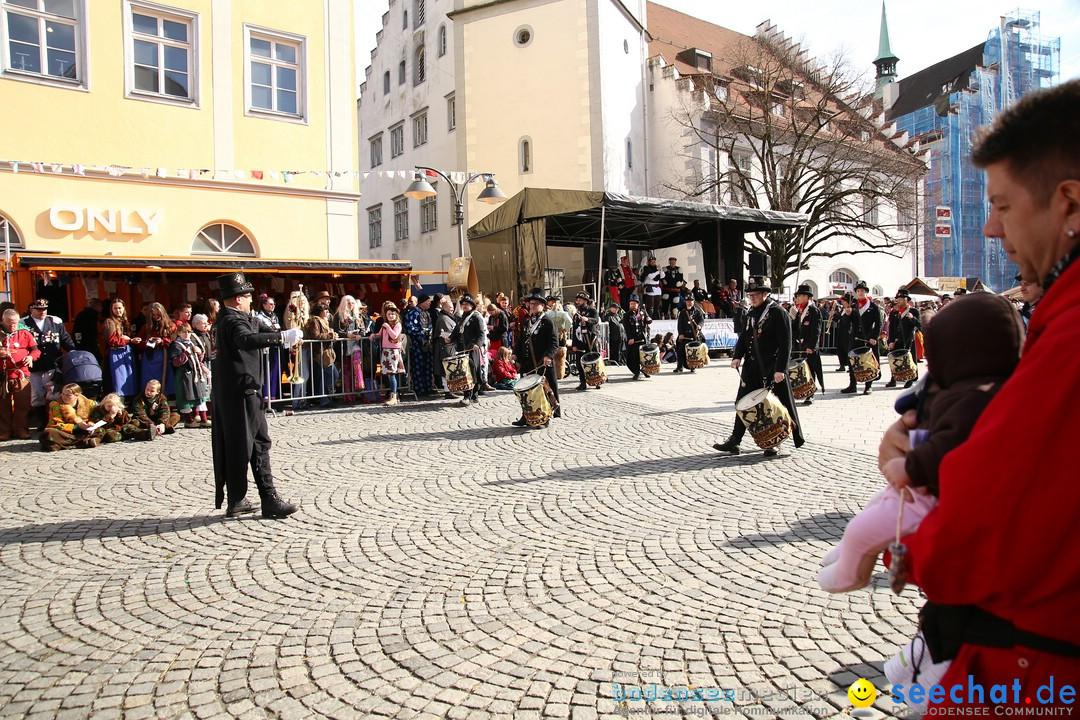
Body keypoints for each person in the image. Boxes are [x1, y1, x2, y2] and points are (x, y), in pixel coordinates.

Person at [878, 80, 1080, 705]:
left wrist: (912, 513)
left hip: (1033, 676)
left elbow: (992, 523)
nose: (989, 228)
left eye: (1002, 204)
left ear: (1068, 203)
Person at [819, 292, 1023, 593]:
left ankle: (848, 572)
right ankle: (847, 548)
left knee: (864, 529)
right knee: (874, 507)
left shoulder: (975, 398)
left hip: (929, 492)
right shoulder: (965, 388)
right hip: (921, 484)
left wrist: (911, 465)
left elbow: (950, 446)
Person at [211, 272, 301, 519]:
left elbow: (250, 330)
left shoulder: (224, 319)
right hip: (241, 391)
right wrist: (280, 338)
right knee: (255, 443)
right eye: (247, 295)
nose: (251, 299)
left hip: (233, 390)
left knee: (245, 444)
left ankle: (242, 498)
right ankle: (263, 499)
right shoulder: (232, 321)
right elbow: (245, 340)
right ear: (238, 299)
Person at [713, 276, 805, 457]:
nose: (752, 298)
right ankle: (735, 440)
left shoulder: (778, 313)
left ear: (766, 293)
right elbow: (744, 337)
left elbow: (786, 344)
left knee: (773, 406)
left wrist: (781, 369)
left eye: (755, 294)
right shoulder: (751, 312)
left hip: (771, 367)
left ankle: (774, 441)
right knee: (743, 403)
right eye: (750, 295)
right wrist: (737, 356)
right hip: (751, 367)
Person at [22, 298, 75, 431]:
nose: (42, 312)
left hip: (52, 364)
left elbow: (64, 338)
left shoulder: (55, 321)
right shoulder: (23, 324)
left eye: (44, 309)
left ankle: (55, 419)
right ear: (31, 309)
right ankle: (42, 421)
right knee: (38, 395)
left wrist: (73, 351)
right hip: (35, 366)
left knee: (55, 393)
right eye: (39, 309)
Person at [512, 288, 560, 427]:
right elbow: (520, 341)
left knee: (542, 391)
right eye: (531, 303)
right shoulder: (527, 322)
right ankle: (526, 416)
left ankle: (544, 417)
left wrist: (549, 356)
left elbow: (554, 342)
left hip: (542, 362)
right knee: (527, 392)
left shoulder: (548, 321)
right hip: (528, 363)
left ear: (543, 306)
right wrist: (516, 355)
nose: (532, 306)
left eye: (536, 303)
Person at [0, 307, 41, 440]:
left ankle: (20, 429)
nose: (13, 326)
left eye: (15, 323)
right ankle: (4, 430)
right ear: (3, 320)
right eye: (9, 323)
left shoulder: (24, 332)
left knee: (22, 404)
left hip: (21, 374)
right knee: (3, 405)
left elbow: (35, 350)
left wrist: (31, 357)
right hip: (3, 376)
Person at [840, 281, 881, 395]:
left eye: (862, 291)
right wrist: (847, 315)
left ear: (866, 292)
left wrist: (874, 336)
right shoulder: (853, 306)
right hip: (855, 337)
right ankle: (852, 385)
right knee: (852, 360)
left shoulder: (873, 306)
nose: (860, 293)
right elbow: (846, 323)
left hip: (868, 338)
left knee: (868, 362)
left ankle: (868, 386)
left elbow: (878, 323)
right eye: (858, 291)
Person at [170, 322, 211, 428]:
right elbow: (175, 362)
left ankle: (204, 419)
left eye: (188, 332)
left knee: (201, 396)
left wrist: (200, 353)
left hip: (196, 373)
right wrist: (186, 354)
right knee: (186, 397)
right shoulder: (176, 345)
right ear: (179, 333)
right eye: (184, 332)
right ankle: (189, 420)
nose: (187, 334)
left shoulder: (192, 343)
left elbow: (198, 359)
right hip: (185, 375)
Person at [790, 284, 824, 404]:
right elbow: (793, 328)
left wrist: (812, 346)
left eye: (799, 295)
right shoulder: (798, 310)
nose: (797, 298)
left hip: (808, 345)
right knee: (799, 370)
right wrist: (791, 317)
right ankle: (799, 391)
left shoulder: (814, 310)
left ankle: (811, 393)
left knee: (811, 369)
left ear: (806, 296)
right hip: (798, 345)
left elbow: (816, 330)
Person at [40, 382, 99, 451]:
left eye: (68, 395)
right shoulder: (55, 405)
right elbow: (56, 424)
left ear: (77, 395)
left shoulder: (89, 403)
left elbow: (93, 418)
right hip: (65, 432)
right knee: (48, 433)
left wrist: (90, 425)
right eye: (63, 394)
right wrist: (77, 427)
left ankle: (62, 444)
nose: (64, 397)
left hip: (84, 431)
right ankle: (84, 442)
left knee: (100, 430)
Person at [450, 294, 486, 406]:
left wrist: (478, 344)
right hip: (462, 349)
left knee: (472, 372)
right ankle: (469, 395)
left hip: (472, 348)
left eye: (467, 304)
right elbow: (457, 331)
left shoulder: (476, 317)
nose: (465, 306)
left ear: (472, 305)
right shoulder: (462, 317)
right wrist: (450, 338)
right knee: (465, 372)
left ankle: (470, 396)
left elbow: (481, 333)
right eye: (463, 304)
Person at [134, 302, 174, 395]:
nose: (156, 317)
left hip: (163, 355)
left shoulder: (169, 326)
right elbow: (139, 343)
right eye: (154, 315)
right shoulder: (146, 327)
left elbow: (173, 340)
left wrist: (162, 341)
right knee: (148, 379)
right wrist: (148, 342)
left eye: (158, 315)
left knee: (164, 379)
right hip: (149, 357)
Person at [885, 289, 921, 389]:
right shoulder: (894, 312)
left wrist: (912, 318)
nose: (899, 301)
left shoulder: (913, 311)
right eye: (898, 299)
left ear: (906, 299)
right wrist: (890, 341)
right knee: (894, 360)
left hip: (908, 340)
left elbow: (920, 325)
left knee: (910, 360)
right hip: (896, 340)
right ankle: (894, 379)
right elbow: (891, 328)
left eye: (901, 299)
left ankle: (910, 378)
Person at [374, 301, 405, 406]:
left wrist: (387, 327)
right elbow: (379, 334)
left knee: (392, 374)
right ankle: (393, 395)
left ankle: (394, 396)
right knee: (389, 375)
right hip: (386, 350)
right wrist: (373, 335)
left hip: (393, 351)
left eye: (393, 314)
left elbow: (394, 335)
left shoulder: (397, 324)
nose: (391, 316)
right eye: (389, 314)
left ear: (396, 314)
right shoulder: (384, 325)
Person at [404, 295, 435, 397]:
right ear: (422, 302)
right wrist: (423, 332)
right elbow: (410, 328)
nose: (430, 303)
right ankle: (419, 389)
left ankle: (428, 388)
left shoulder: (427, 313)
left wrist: (429, 333)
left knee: (428, 366)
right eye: (428, 301)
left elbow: (430, 326)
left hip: (427, 344)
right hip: (417, 345)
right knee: (418, 367)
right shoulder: (413, 312)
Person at [255, 294, 283, 403]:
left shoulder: (275, 316)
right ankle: (265, 397)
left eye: (274, 304)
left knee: (275, 372)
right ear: (264, 305)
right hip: (266, 348)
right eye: (270, 304)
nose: (273, 306)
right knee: (267, 373)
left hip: (275, 347)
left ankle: (274, 397)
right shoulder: (259, 317)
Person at [571, 292, 600, 390]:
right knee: (580, 363)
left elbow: (596, 320)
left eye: (579, 299)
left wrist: (587, 319)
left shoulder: (592, 310)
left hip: (590, 340)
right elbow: (574, 330)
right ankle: (583, 382)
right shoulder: (576, 314)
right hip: (580, 341)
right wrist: (574, 344)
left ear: (585, 301)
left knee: (592, 361)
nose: (577, 301)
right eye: (577, 299)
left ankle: (596, 380)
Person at [621, 295, 651, 380]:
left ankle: (644, 370)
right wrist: (630, 338)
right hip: (633, 339)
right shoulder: (627, 315)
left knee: (643, 356)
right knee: (633, 357)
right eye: (631, 304)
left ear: (638, 304)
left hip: (642, 338)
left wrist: (649, 320)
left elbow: (648, 320)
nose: (633, 305)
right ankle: (636, 372)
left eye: (634, 303)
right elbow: (626, 327)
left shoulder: (642, 312)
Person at [675, 294, 705, 373]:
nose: (689, 303)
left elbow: (701, 320)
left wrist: (699, 326)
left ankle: (693, 366)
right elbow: (680, 324)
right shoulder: (683, 312)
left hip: (694, 335)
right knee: (680, 351)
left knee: (693, 352)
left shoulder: (697, 311)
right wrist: (680, 334)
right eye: (688, 301)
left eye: (691, 301)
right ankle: (679, 366)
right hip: (684, 335)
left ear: (693, 302)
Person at [72, 298, 103, 364]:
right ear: (97, 306)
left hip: (83, 348)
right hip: (88, 349)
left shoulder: (83, 315)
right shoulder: (90, 316)